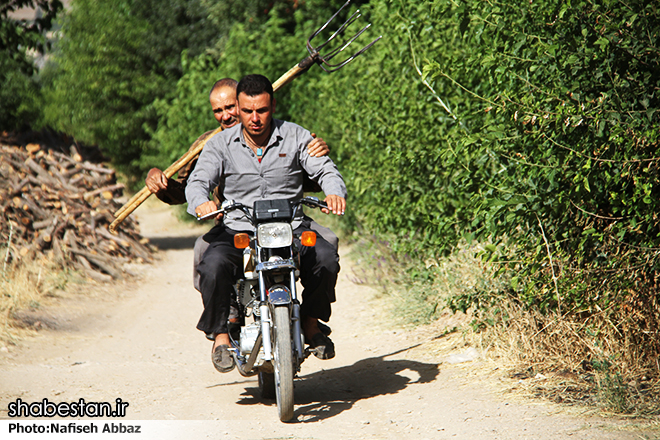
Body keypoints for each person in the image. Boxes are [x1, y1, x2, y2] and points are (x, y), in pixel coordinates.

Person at [186, 74, 346, 373]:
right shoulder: (218, 144)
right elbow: (197, 180)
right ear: (239, 108)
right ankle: (221, 335)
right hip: (239, 227)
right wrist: (200, 201)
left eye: (261, 110)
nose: (254, 118)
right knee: (212, 264)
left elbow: (325, 169)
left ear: (273, 105)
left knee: (325, 257)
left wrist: (334, 190)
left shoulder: (297, 136)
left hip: (291, 224)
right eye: (247, 111)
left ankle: (311, 324)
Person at [144, 78, 338, 291]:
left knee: (327, 245)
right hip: (236, 222)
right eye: (218, 111)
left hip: (286, 218)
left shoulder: (289, 134)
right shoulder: (209, 144)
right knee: (204, 253)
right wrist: (161, 182)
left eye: (230, 107)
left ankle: (311, 317)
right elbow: (188, 187)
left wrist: (321, 167)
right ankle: (228, 313)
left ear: (240, 104)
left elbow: (310, 176)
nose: (226, 115)